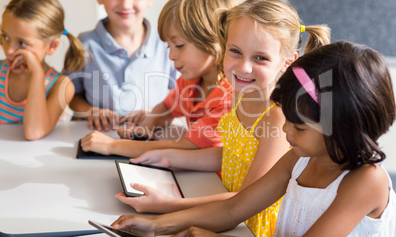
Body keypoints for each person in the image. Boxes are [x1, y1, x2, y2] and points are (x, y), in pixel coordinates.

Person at [110, 41, 396, 237]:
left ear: (343, 128)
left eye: (299, 128)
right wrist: (157, 226)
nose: (286, 132)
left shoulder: (366, 181)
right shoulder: (299, 157)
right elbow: (234, 208)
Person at [112, 0, 331, 237]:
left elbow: (244, 200)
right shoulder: (239, 93)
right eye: (235, 51)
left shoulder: (277, 116)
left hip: (252, 227)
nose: (243, 67)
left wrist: (167, 205)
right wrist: (168, 157)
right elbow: (232, 155)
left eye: (260, 58)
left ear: (287, 62)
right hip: (227, 214)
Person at [79, 0, 239, 157]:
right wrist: (146, 127)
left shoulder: (229, 96)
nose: (171, 55)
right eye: (168, 47)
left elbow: (189, 146)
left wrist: (113, 146)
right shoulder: (191, 81)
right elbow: (167, 108)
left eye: (179, 46)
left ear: (214, 40)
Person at [64, 0, 179, 132]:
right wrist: (91, 111)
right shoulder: (83, 44)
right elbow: (70, 95)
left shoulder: (166, 44)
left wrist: (157, 113)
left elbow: (183, 94)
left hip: (150, 138)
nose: (125, 4)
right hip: (96, 135)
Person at [0, 0, 85, 140]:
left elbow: (34, 132)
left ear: (52, 47)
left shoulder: (62, 86)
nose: (9, 50)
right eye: (6, 36)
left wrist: (37, 73)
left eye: (22, 43)